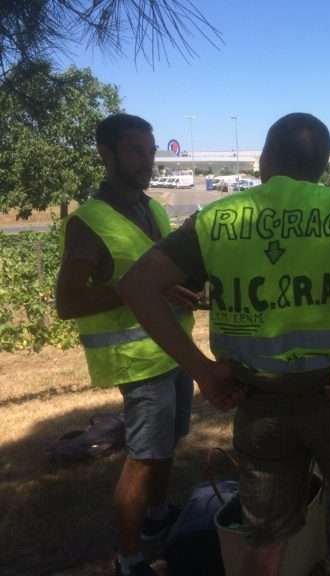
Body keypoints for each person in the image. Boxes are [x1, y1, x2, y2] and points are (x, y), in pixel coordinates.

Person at [117, 112, 330, 576]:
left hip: (260, 406)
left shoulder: (217, 218)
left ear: (265, 159)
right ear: (322, 165)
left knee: (265, 544)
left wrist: (202, 370)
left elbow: (138, 284)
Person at [55, 113, 198, 576]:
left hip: (172, 349)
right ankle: (129, 558)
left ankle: (157, 520)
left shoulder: (152, 208)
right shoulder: (89, 223)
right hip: (138, 361)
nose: (147, 161)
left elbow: (161, 275)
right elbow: (68, 301)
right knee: (143, 458)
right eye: (136, 151)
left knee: (168, 444)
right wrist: (134, 287)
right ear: (107, 153)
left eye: (151, 151)